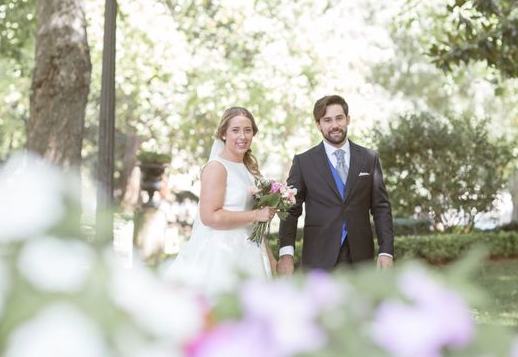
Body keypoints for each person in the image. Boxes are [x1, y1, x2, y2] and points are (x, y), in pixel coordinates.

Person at [163, 107, 277, 297]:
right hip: (222, 254)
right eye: (235, 130)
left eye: (247, 130)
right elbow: (209, 216)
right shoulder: (217, 167)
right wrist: (256, 215)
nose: (242, 136)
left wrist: (272, 261)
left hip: (250, 251)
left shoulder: (248, 170)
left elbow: (256, 222)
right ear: (223, 134)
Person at [277, 95, 394, 273]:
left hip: (361, 259)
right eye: (327, 120)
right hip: (318, 258)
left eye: (339, 118)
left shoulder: (369, 158)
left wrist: (386, 251)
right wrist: (286, 254)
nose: (335, 125)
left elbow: (381, 207)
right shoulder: (304, 162)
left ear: (348, 119)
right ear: (318, 124)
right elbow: (290, 210)